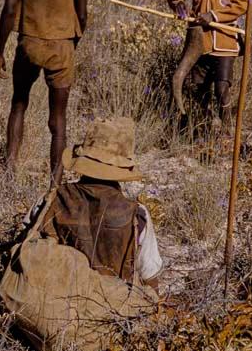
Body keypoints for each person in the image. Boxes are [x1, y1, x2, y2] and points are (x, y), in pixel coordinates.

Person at [0, 0, 87, 187]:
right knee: (58, 119)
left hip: (29, 43)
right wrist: (72, 42)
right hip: (62, 46)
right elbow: (82, 13)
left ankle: (9, 173)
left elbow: (10, 9)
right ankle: (55, 184)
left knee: (18, 105)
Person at [24, 117, 163, 292]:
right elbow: (150, 277)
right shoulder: (137, 215)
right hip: (110, 311)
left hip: (50, 304)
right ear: (125, 167)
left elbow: (24, 246)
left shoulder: (50, 200)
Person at [167, 0, 249, 133]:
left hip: (226, 39)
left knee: (222, 88)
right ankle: (205, 129)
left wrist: (213, 15)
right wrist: (178, 5)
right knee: (199, 88)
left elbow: (242, 3)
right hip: (198, 41)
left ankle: (228, 130)